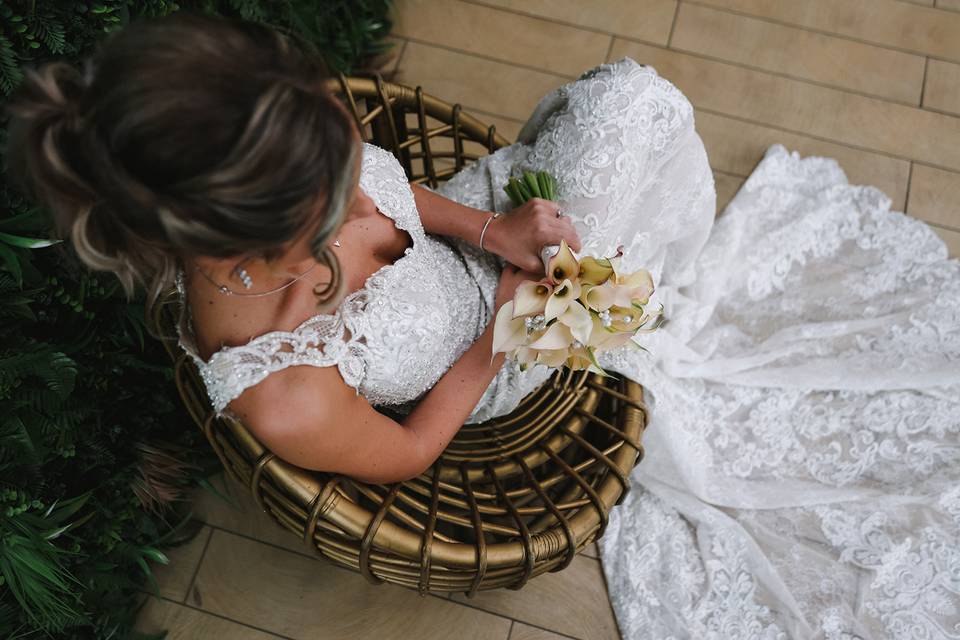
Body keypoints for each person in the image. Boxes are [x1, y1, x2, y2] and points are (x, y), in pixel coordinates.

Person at [7, 12, 960, 639]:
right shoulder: (281, 387)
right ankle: (623, 291)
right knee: (623, 174)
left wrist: (492, 227)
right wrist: (503, 325)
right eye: (335, 205)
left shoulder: (292, 136)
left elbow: (399, 195)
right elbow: (415, 448)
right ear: (252, 239)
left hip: (476, 236)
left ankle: (607, 252)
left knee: (633, 100)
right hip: (483, 356)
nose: (363, 205)